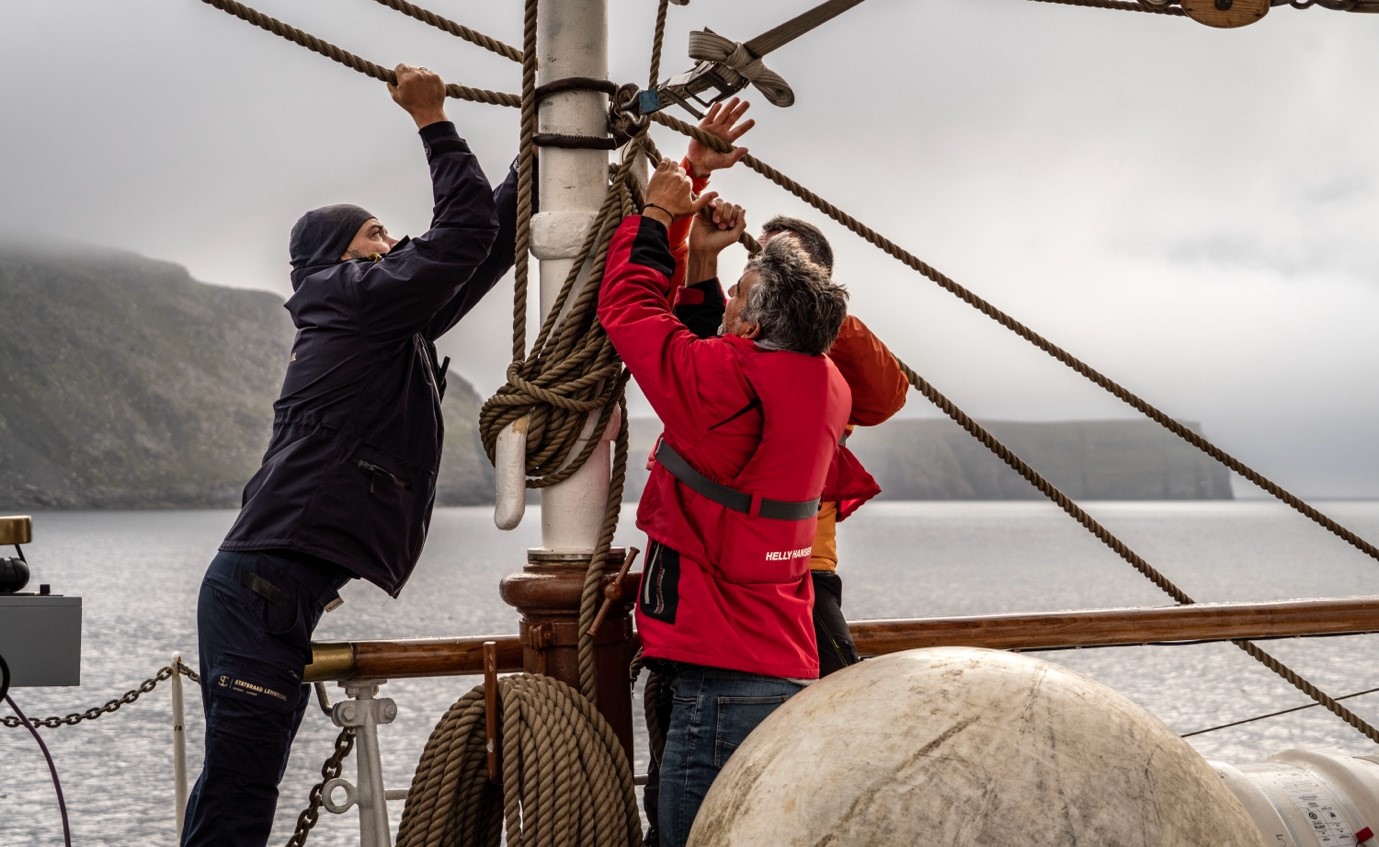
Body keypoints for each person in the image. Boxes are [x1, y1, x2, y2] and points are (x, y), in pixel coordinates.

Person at [180, 64, 520, 847]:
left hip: (272, 589)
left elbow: (481, 249)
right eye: (377, 235)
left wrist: (533, 157)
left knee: (241, 783)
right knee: (240, 787)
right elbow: (460, 237)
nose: (393, 242)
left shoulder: (374, 319)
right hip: (259, 588)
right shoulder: (350, 298)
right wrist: (433, 121)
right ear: (339, 257)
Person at [599, 159, 852, 847]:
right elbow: (717, 353)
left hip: (719, 679)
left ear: (753, 324)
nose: (728, 304)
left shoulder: (729, 383)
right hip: (778, 659)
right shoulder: (821, 380)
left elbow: (626, 310)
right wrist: (704, 265)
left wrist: (656, 217)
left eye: (738, 295)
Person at [666, 100, 908, 676]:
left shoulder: (832, 359)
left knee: (831, 706)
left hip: (800, 562)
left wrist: (812, 300)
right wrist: (695, 179)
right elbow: (669, 281)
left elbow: (886, 398)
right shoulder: (727, 343)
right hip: (714, 561)